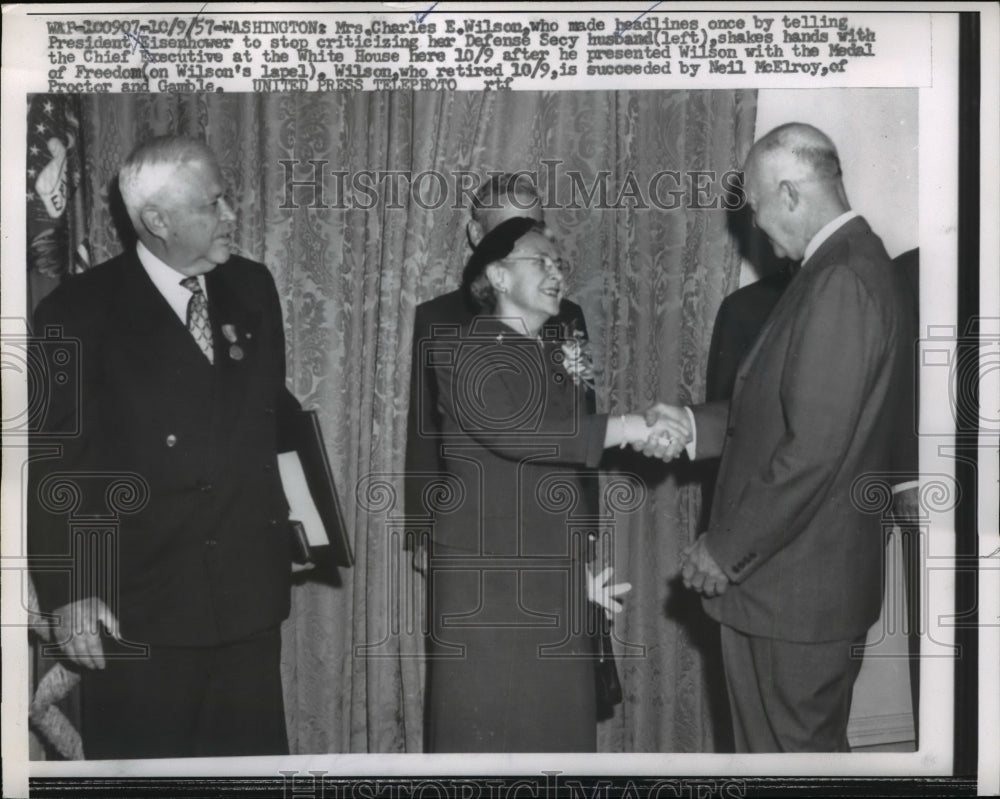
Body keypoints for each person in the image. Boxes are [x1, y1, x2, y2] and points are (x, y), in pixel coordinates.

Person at [28, 136, 301, 759]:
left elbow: (267, 421)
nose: (231, 214)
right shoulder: (78, 310)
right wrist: (71, 590)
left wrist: (307, 521)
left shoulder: (252, 286)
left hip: (246, 598)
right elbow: (52, 466)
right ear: (158, 220)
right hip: (141, 607)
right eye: (215, 202)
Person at [646, 123, 912, 752]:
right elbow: (785, 409)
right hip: (792, 589)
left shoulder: (841, 278)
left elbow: (811, 451)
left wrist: (723, 549)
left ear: (790, 194)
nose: (757, 226)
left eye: (759, 208)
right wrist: (691, 424)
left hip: (792, 594)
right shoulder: (840, 268)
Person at [423, 218, 676, 752]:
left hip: (546, 583)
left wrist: (576, 576)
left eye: (560, 264)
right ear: (498, 275)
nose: (557, 272)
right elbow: (525, 435)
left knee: (555, 739)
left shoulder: (550, 357)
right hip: (486, 591)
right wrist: (630, 426)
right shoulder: (462, 349)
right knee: (491, 750)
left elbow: (550, 482)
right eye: (541, 261)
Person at [405, 173, 590, 533]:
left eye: (531, 229)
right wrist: (423, 529)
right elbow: (426, 432)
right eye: (505, 231)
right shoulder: (438, 318)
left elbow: (583, 422)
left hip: (552, 519)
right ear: (476, 235)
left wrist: (587, 525)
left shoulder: (567, 317)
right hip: (471, 526)